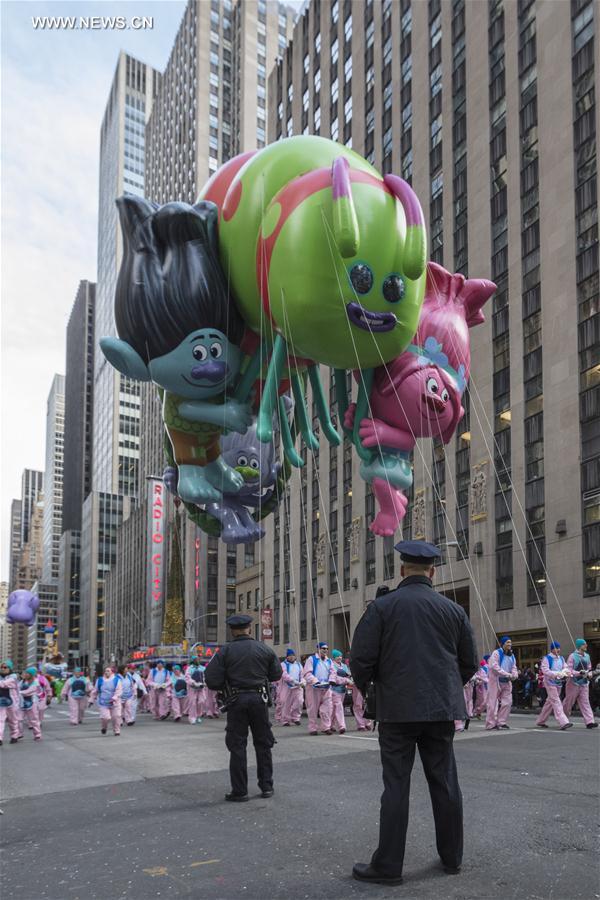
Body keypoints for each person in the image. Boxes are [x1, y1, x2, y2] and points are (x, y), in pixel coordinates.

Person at [349, 540, 478, 886]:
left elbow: (360, 659)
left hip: (397, 711)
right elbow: (469, 663)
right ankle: (452, 858)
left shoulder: (382, 608)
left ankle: (388, 866)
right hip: (439, 709)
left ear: (402, 570)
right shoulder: (453, 611)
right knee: (445, 782)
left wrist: (372, 690)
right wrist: (445, 688)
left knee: (396, 787)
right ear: (432, 572)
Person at [205, 614, 281, 802]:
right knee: (263, 744)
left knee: (237, 745)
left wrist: (228, 684)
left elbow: (212, 679)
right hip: (259, 699)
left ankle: (240, 791)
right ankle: (266, 787)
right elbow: (276, 675)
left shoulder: (225, 652)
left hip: (236, 700)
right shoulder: (264, 649)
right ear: (249, 628)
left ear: (232, 630)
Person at [535, 642, 573, 730]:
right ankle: (563, 722)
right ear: (552, 649)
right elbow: (545, 670)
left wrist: (566, 672)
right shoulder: (547, 658)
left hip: (558, 683)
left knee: (550, 702)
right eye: (556, 648)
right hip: (549, 682)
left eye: (559, 648)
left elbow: (566, 667)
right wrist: (556, 674)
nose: (558, 649)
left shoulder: (561, 658)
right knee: (556, 701)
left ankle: (541, 721)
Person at [485, 636, 518, 730]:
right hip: (495, 681)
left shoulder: (511, 655)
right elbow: (494, 666)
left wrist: (514, 675)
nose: (509, 644)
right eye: (507, 642)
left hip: (506, 682)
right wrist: (507, 674)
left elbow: (514, 667)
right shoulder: (496, 653)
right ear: (503, 643)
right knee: (492, 703)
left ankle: (501, 721)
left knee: (508, 702)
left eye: (510, 642)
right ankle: (490, 724)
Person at [563, 639, 597, 728]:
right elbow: (568, 670)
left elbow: (589, 668)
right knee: (569, 702)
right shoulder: (572, 656)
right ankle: (563, 720)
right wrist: (579, 673)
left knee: (585, 702)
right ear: (579, 646)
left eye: (586, 644)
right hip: (573, 683)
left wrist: (589, 673)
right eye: (584, 644)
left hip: (584, 683)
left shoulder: (587, 656)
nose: (586, 645)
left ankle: (590, 722)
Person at [302, 642, 333, 735]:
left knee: (327, 708)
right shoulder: (311, 659)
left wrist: (332, 680)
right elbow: (307, 673)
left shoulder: (329, 661)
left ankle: (326, 727)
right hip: (314, 688)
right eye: (323, 648)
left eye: (327, 649)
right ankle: (313, 728)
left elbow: (333, 672)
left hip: (326, 687)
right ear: (318, 649)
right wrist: (315, 681)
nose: (325, 650)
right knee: (313, 709)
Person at [92, 666, 123, 736]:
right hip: (103, 702)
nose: (106, 672)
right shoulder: (99, 680)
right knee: (105, 717)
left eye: (108, 671)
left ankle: (117, 730)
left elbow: (119, 691)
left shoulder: (117, 680)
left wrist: (114, 698)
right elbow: (95, 690)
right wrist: (91, 699)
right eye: (105, 671)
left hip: (115, 702)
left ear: (112, 672)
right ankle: (104, 727)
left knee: (116, 716)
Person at [279, 649, 304, 726]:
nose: (291, 657)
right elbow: (284, 675)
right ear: (287, 657)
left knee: (299, 702)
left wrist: (303, 681)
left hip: (298, 687)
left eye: (293, 655)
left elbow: (302, 675)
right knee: (286, 703)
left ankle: (295, 717)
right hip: (287, 686)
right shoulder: (283, 664)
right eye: (289, 655)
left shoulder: (299, 664)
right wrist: (293, 681)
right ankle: (285, 720)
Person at [330, 650, 351, 734]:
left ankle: (331, 725)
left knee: (335, 708)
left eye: (340, 656)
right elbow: (334, 676)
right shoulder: (331, 665)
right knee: (339, 708)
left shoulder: (344, 665)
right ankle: (342, 726)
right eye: (337, 656)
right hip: (334, 690)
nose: (339, 658)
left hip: (342, 690)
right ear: (334, 657)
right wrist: (345, 676)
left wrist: (347, 675)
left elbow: (349, 674)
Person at [0, 660, 21, 745]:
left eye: (5, 667)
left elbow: (3, 684)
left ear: (10, 668)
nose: (3, 669)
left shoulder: (13, 677)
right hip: (1, 702)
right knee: (0, 720)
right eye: (1, 667)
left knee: (13, 720)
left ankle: (14, 736)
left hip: (12, 703)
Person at [19, 668, 43, 741]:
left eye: (27, 673)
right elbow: (16, 688)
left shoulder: (36, 682)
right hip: (22, 703)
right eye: (25, 673)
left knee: (34, 720)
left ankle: (37, 734)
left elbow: (29, 691)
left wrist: (19, 692)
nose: (26, 674)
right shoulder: (22, 681)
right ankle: (19, 734)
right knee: (18, 719)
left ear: (31, 674)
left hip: (32, 702)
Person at [185, 655, 206, 725]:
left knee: (201, 701)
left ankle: (198, 715)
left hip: (201, 687)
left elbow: (205, 676)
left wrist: (204, 682)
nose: (198, 660)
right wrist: (194, 683)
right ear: (193, 661)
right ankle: (192, 717)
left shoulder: (202, 668)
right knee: (193, 702)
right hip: (192, 688)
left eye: (198, 659)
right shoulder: (189, 668)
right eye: (196, 659)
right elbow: (187, 678)